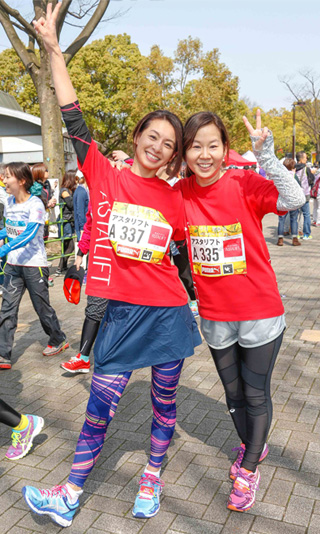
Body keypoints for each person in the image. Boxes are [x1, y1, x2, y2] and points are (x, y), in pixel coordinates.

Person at [22, 4, 201, 528]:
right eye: (153, 135)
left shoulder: (177, 198)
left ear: (172, 156)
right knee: (99, 408)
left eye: (169, 145)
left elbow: (212, 213)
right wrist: (54, 48)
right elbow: (70, 110)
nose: (159, 146)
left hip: (168, 314)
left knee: (164, 408)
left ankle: (151, 482)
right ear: (139, 135)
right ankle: (71, 491)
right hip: (120, 316)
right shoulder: (102, 172)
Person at [177, 109, 305, 513]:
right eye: (195, 146)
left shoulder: (243, 182)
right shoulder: (180, 194)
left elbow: (295, 199)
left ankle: (249, 469)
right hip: (214, 315)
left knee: (255, 392)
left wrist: (265, 155)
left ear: (225, 149)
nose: (204, 154)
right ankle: (256, 445)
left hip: (259, 311)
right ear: (185, 152)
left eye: (212, 145)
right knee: (232, 394)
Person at [0, 162, 69, 369]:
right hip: (13, 265)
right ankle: (3, 354)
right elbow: (9, 229)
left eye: (7, 176)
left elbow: (30, 234)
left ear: (21, 180)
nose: (3, 180)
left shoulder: (35, 204)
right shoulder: (9, 203)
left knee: (42, 309)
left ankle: (58, 338)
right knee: (7, 310)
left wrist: (3, 250)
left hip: (34, 266)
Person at [60, 201, 108, 374]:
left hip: (124, 267)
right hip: (100, 264)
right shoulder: (97, 197)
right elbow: (89, 227)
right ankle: (83, 358)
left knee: (119, 314)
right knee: (94, 309)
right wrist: (81, 253)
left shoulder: (128, 190)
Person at [55, 170, 77, 276]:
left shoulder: (70, 190)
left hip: (69, 220)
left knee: (67, 245)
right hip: (64, 220)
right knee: (69, 246)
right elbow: (71, 204)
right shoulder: (64, 191)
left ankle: (63, 266)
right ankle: (60, 267)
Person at [276, 158, 301, 246]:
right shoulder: (294, 176)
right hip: (293, 200)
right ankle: (294, 239)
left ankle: (280, 239)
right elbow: (299, 186)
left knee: (281, 220)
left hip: (282, 200)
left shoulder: (280, 176)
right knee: (294, 219)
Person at [295, 151, 314, 240]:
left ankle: (296, 234)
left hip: (296, 195)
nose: (306, 159)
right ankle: (306, 234)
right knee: (306, 214)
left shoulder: (293, 168)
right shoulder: (306, 169)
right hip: (305, 194)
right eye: (305, 158)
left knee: (296, 215)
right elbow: (311, 180)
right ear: (301, 159)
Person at [73, 172, 89, 241]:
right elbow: (80, 210)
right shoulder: (81, 192)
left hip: (84, 224)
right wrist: (82, 228)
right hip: (83, 226)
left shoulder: (81, 190)